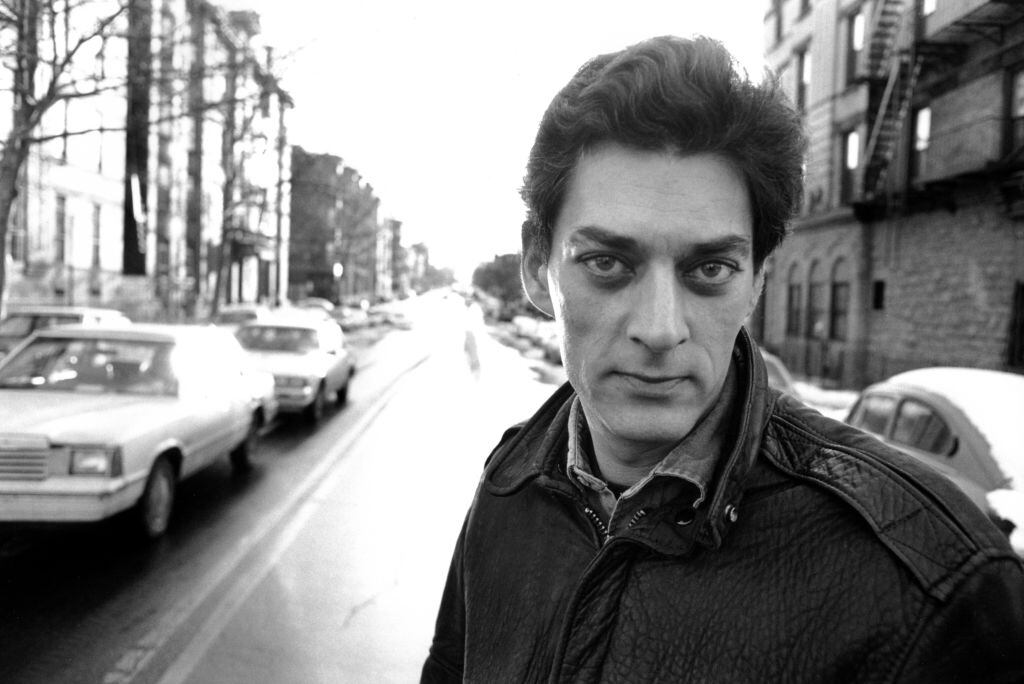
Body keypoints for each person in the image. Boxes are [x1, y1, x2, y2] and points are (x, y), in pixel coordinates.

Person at [422, 35, 1024, 683]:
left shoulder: (936, 586)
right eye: (607, 263)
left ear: (758, 281)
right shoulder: (510, 480)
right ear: (538, 269)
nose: (659, 329)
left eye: (709, 268)